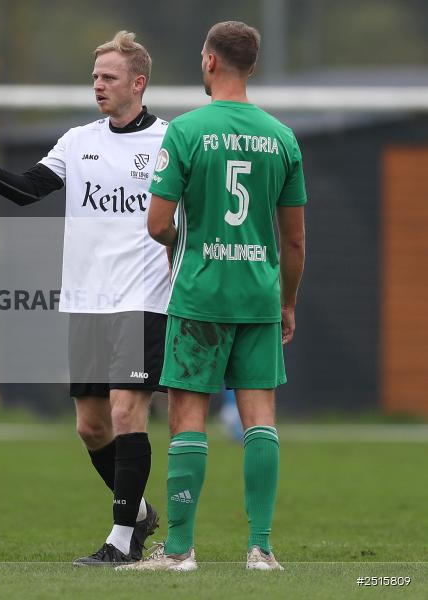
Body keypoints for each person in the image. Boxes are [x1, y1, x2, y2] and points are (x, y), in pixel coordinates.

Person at [0, 31, 170, 567]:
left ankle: (123, 541)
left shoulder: (173, 143)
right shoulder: (79, 140)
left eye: (109, 77)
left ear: (138, 83)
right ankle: (141, 512)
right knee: (91, 426)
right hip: (87, 300)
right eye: (95, 76)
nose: (99, 85)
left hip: (144, 298)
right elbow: (30, 188)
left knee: (128, 413)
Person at [121, 21, 306, 572]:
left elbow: (156, 225)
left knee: (187, 418)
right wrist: (287, 302)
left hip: (200, 293)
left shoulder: (184, 131)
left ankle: (179, 551)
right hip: (258, 297)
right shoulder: (282, 137)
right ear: (250, 66)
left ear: (209, 62)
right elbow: (294, 238)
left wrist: (190, 249)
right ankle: (262, 549)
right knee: (260, 419)